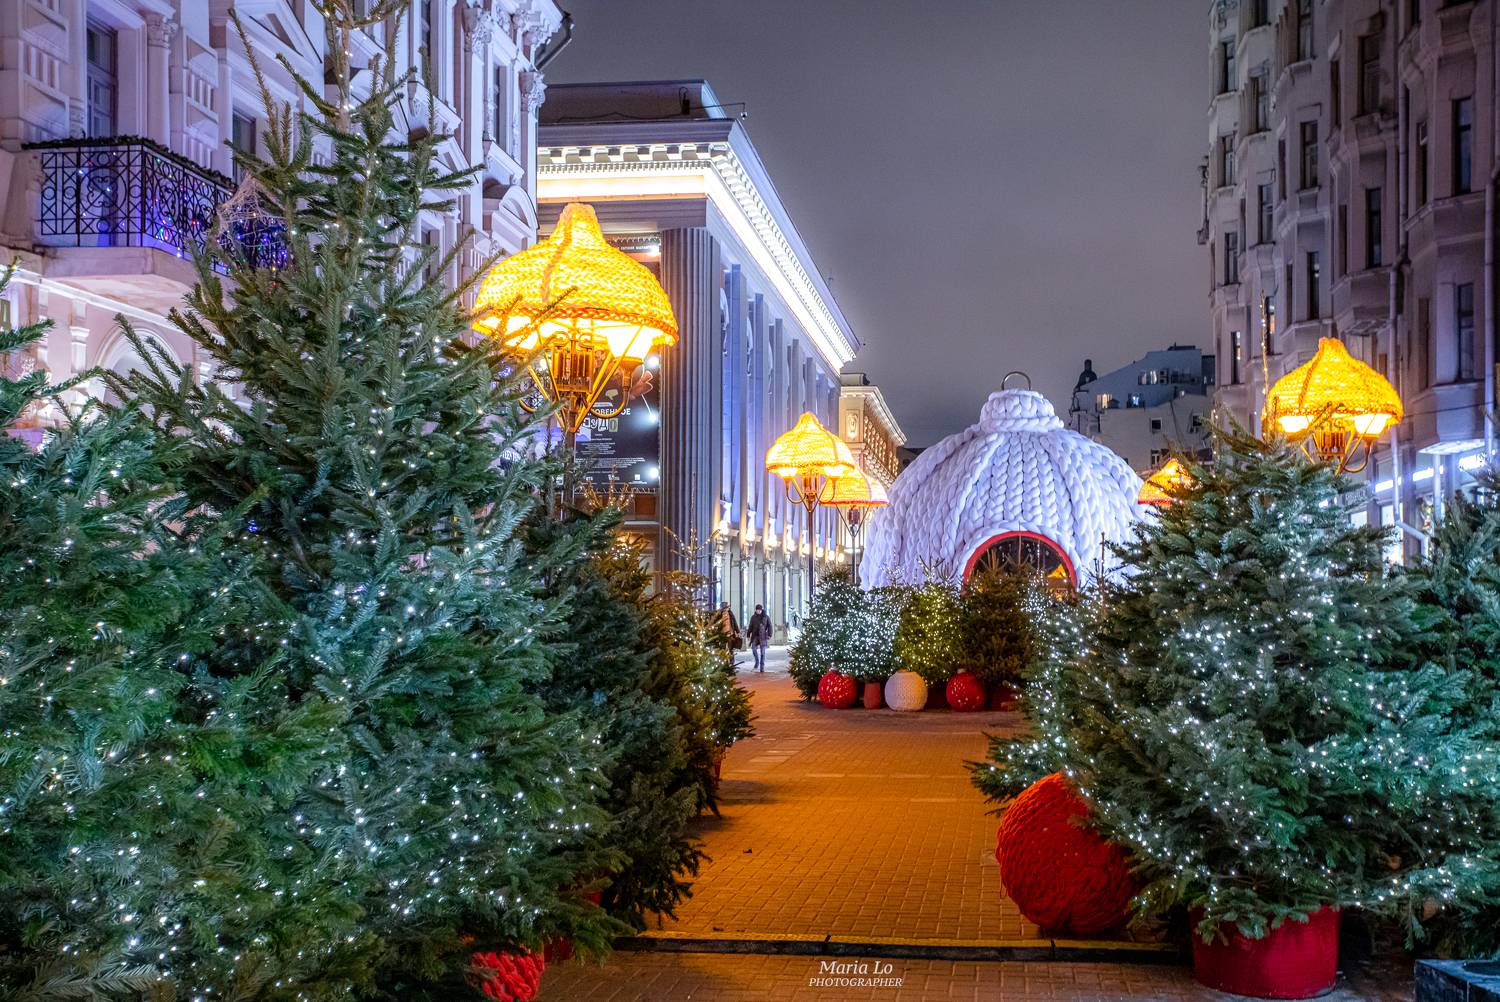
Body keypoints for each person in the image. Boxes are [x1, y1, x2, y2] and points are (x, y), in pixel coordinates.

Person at [745, 603, 773, 672]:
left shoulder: (766, 617)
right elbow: (750, 626)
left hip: (763, 636)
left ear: (761, 610)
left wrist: (769, 634)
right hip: (755, 636)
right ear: (756, 610)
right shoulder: (753, 617)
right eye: (757, 610)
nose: (759, 611)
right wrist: (748, 635)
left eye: (760, 610)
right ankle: (757, 661)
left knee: (762, 653)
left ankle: (762, 666)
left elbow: (770, 626)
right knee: (754, 649)